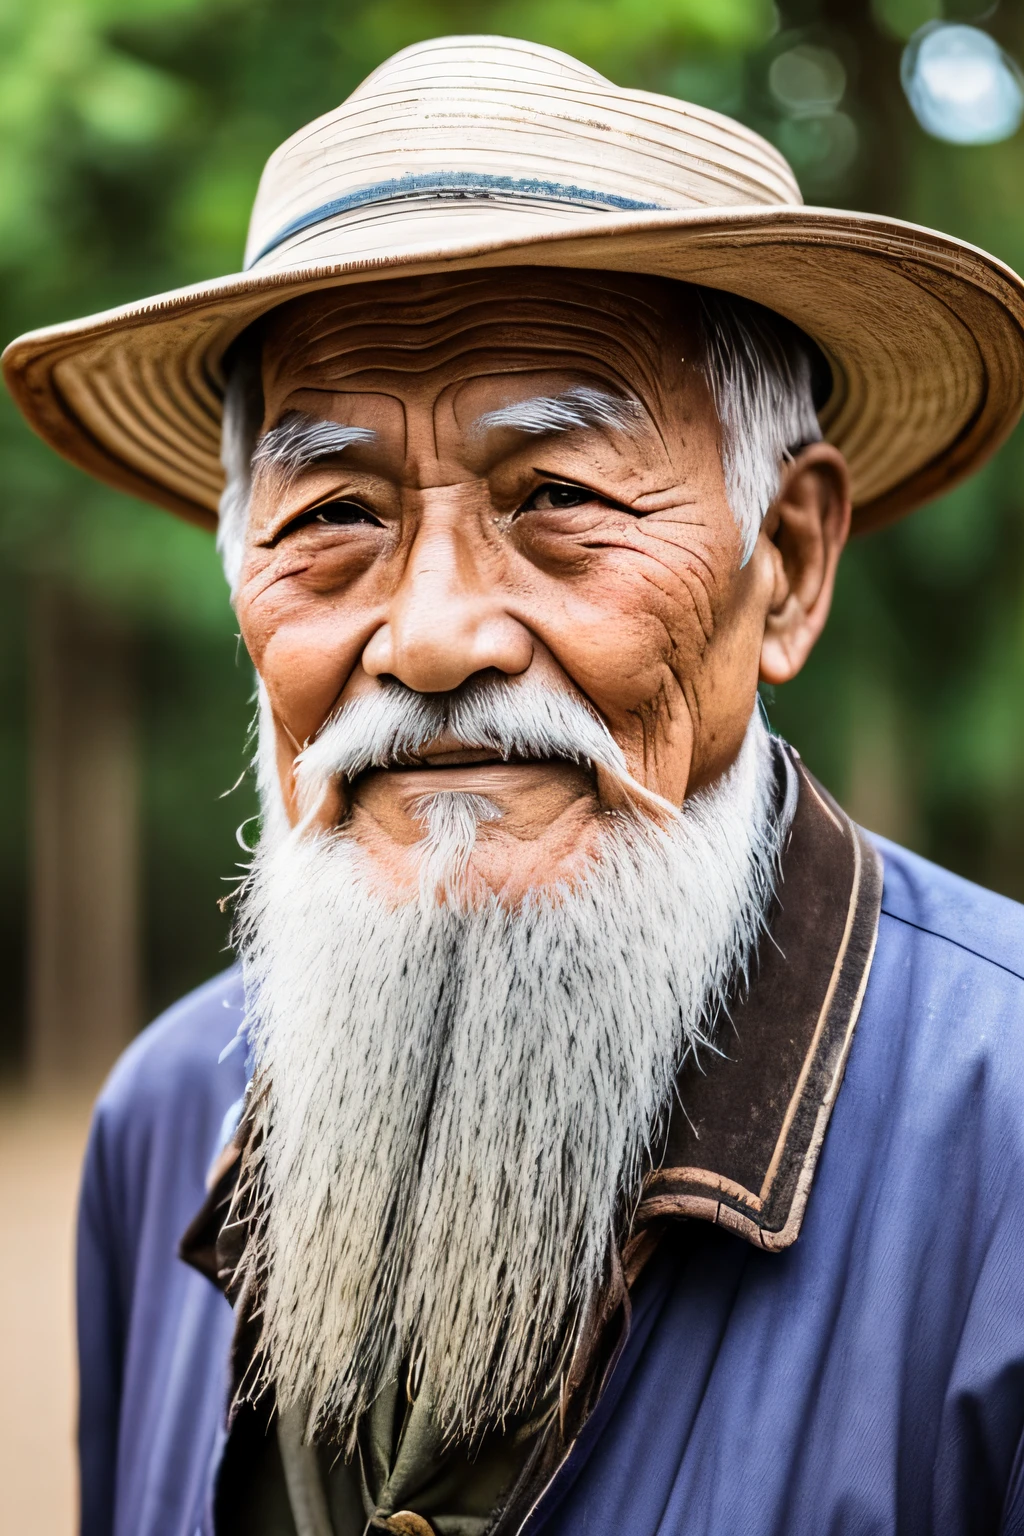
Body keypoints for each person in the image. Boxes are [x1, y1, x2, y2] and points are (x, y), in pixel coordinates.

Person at [7, 33, 1024, 1536]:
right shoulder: (169, 1122)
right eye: (336, 511)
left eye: (555, 497)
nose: (428, 639)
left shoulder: (1001, 1138)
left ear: (790, 565)